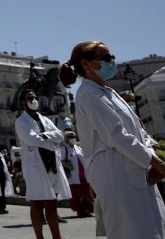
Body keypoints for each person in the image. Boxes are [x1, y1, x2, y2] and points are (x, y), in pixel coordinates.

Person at [64, 41, 165, 238]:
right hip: (116, 173)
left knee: (152, 229)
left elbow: (138, 130)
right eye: (106, 58)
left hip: (136, 170)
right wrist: (155, 161)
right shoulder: (88, 94)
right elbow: (115, 135)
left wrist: (151, 153)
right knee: (129, 231)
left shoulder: (109, 93)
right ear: (86, 64)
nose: (112, 62)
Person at [15, 89, 71, 239]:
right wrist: (50, 142)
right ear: (23, 102)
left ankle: (56, 237)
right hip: (35, 165)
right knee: (37, 202)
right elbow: (32, 139)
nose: (33, 100)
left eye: (34, 97)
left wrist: (45, 135)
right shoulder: (21, 121)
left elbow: (60, 135)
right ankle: (39, 237)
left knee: (52, 202)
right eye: (29, 98)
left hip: (51, 163)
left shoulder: (45, 119)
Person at [59, 130, 94, 217]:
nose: (73, 138)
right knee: (77, 193)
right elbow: (61, 160)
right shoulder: (64, 149)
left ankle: (88, 209)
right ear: (66, 138)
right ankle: (80, 210)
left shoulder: (78, 148)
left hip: (83, 174)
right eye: (70, 137)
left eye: (74, 136)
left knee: (86, 191)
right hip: (74, 174)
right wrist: (69, 166)